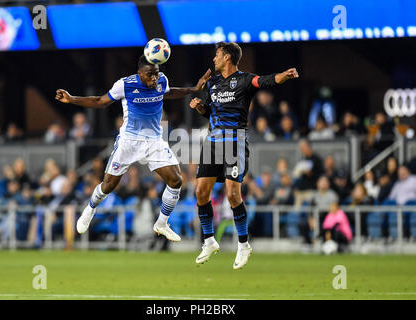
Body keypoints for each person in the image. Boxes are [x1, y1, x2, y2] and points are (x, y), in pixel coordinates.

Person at [55, 55, 211, 243]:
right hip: (129, 141)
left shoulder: (161, 80)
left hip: (154, 140)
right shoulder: (125, 85)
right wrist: (72, 99)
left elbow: (168, 92)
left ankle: (162, 223)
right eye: (149, 75)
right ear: (139, 74)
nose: (154, 78)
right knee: (108, 186)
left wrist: (193, 89)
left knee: (176, 180)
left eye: (156, 73)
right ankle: (90, 209)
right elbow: (100, 101)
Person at [189, 41, 298, 269]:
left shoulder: (245, 79)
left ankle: (243, 244)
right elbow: (209, 111)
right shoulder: (213, 83)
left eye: (217, 55)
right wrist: (200, 107)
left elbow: (266, 81)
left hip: (234, 140)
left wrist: (284, 76)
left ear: (227, 57)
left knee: (232, 194)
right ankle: (209, 241)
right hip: (213, 140)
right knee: (200, 191)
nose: (214, 59)